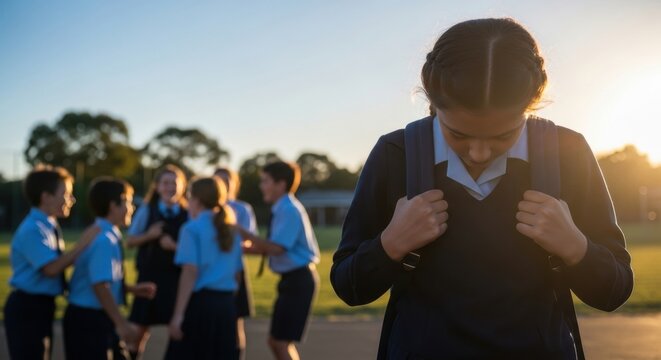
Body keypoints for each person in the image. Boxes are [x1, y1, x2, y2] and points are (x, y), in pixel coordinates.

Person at [330, 18, 633, 359]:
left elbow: (614, 290)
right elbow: (348, 286)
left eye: (504, 136)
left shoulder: (568, 152)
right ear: (431, 98)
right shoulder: (395, 154)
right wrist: (390, 245)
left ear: (532, 102)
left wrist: (575, 246)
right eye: (457, 134)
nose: (479, 153)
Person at [4, 165, 98, 360]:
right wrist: (83, 243)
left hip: (41, 306)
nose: (71, 200)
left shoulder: (49, 224)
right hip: (28, 308)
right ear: (46, 197)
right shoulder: (33, 229)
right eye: (66, 194)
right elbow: (52, 269)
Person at [63, 177, 157, 360]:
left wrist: (130, 289)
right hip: (88, 321)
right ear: (114, 205)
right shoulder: (103, 239)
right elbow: (99, 285)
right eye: (128, 202)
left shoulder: (105, 234)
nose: (132, 208)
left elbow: (102, 278)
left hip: (95, 317)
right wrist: (122, 324)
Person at [239, 161, 320, 360]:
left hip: (299, 280)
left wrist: (239, 231)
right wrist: (237, 249)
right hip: (292, 280)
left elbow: (275, 248)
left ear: (280, 184)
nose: (261, 186)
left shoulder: (288, 210)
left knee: (281, 342)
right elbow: (270, 247)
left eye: (265, 181)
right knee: (275, 341)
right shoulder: (282, 208)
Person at [168, 177, 243, 359]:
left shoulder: (191, 229)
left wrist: (178, 315)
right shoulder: (232, 230)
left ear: (196, 200)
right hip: (226, 307)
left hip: (201, 306)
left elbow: (190, 272)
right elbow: (237, 274)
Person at [126, 165, 189, 358]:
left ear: (182, 186)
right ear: (158, 186)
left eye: (174, 183)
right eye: (165, 183)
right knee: (138, 331)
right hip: (149, 277)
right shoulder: (147, 210)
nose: (170, 187)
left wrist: (174, 247)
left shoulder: (188, 213)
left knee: (177, 330)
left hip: (177, 279)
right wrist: (150, 235)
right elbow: (130, 241)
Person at [214, 167, 257, 359]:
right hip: (210, 271)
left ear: (234, 184)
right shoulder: (207, 209)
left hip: (234, 269)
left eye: (227, 180)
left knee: (235, 321)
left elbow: (248, 239)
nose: (223, 184)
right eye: (219, 180)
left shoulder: (242, 209)